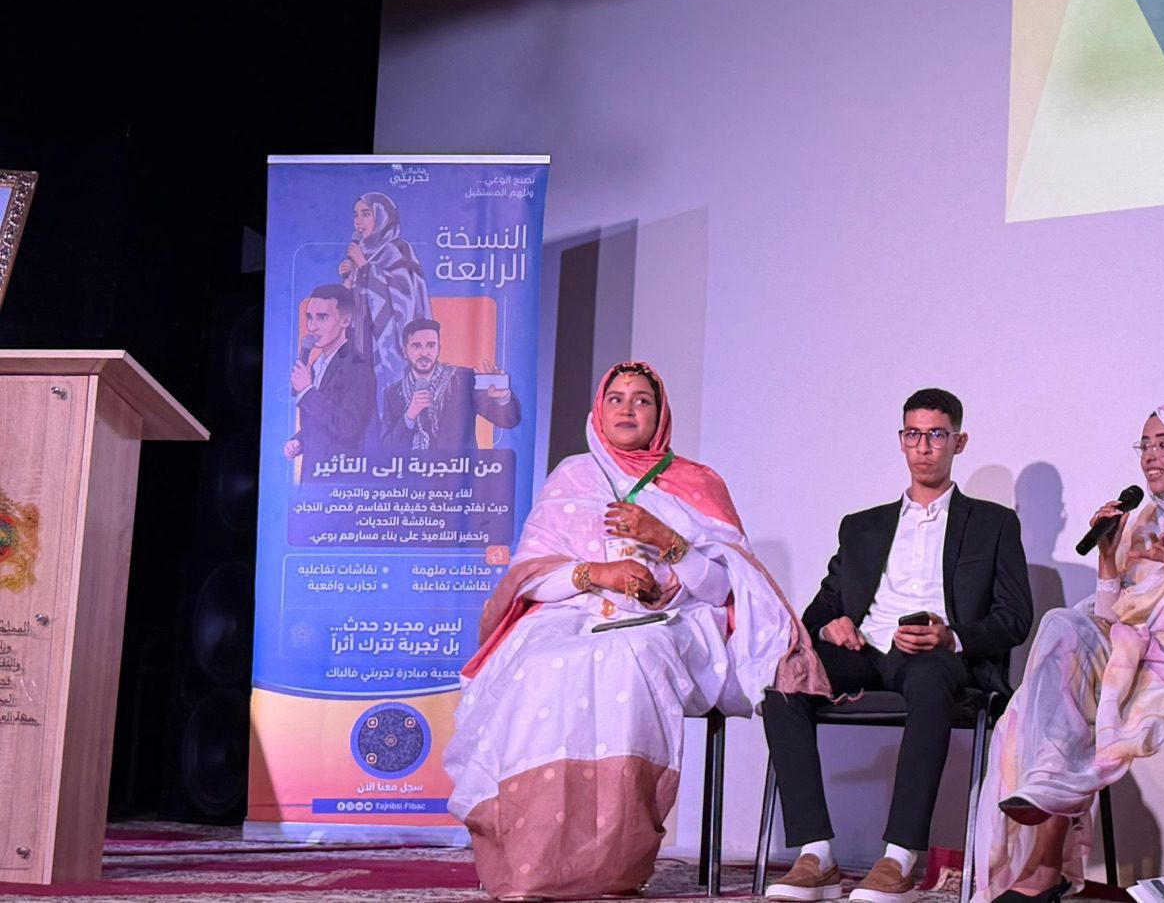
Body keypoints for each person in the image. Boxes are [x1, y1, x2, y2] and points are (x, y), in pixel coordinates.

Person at [446, 361, 829, 901]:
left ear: (660, 414)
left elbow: (723, 587)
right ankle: (533, 857)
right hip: (573, 612)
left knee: (631, 655)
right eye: (617, 398)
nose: (628, 408)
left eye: (642, 400)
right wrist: (596, 574)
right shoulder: (572, 476)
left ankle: (611, 861)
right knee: (539, 664)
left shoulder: (697, 483)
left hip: (672, 620)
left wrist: (667, 541)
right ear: (599, 411)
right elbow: (530, 575)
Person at [973, 403, 1164, 903]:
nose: (1150, 456)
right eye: (1145, 444)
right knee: (1060, 626)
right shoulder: (1144, 521)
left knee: (1076, 701)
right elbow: (1110, 616)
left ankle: (1046, 855)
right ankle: (1051, 782)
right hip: (1133, 655)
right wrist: (1107, 555)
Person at [764, 388, 1032, 903]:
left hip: (936, 656)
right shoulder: (862, 527)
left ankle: (899, 859)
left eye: (937, 435)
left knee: (930, 679)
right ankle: (815, 854)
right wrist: (829, 627)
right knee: (784, 681)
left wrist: (952, 636)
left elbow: (1015, 617)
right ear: (901, 440)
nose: (924, 447)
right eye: (914, 435)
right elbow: (820, 609)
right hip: (865, 651)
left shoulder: (993, 523)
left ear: (959, 442)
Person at [377, 318, 522, 454]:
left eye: (431, 345)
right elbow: (387, 448)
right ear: (405, 351)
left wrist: (502, 399)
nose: (424, 353)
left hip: (456, 471)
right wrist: (410, 415)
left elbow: (508, 421)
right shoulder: (393, 394)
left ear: (439, 348)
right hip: (412, 471)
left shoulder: (463, 380)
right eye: (416, 346)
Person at [282, 283, 376, 477]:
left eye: (322, 317)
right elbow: (323, 422)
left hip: (341, 480)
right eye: (309, 317)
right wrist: (300, 441)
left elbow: (349, 427)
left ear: (345, 320)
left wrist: (307, 391)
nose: (312, 327)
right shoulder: (316, 365)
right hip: (314, 477)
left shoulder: (357, 366)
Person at [341, 191, 433, 388]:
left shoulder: (398, 249)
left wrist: (365, 267)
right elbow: (353, 305)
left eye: (366, 214)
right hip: (360, 344)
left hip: (388, 347)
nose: (358, 221)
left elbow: (405, 296)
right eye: (356, 215)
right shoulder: (360, 253)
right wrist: (348, 282)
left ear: (383, 217)